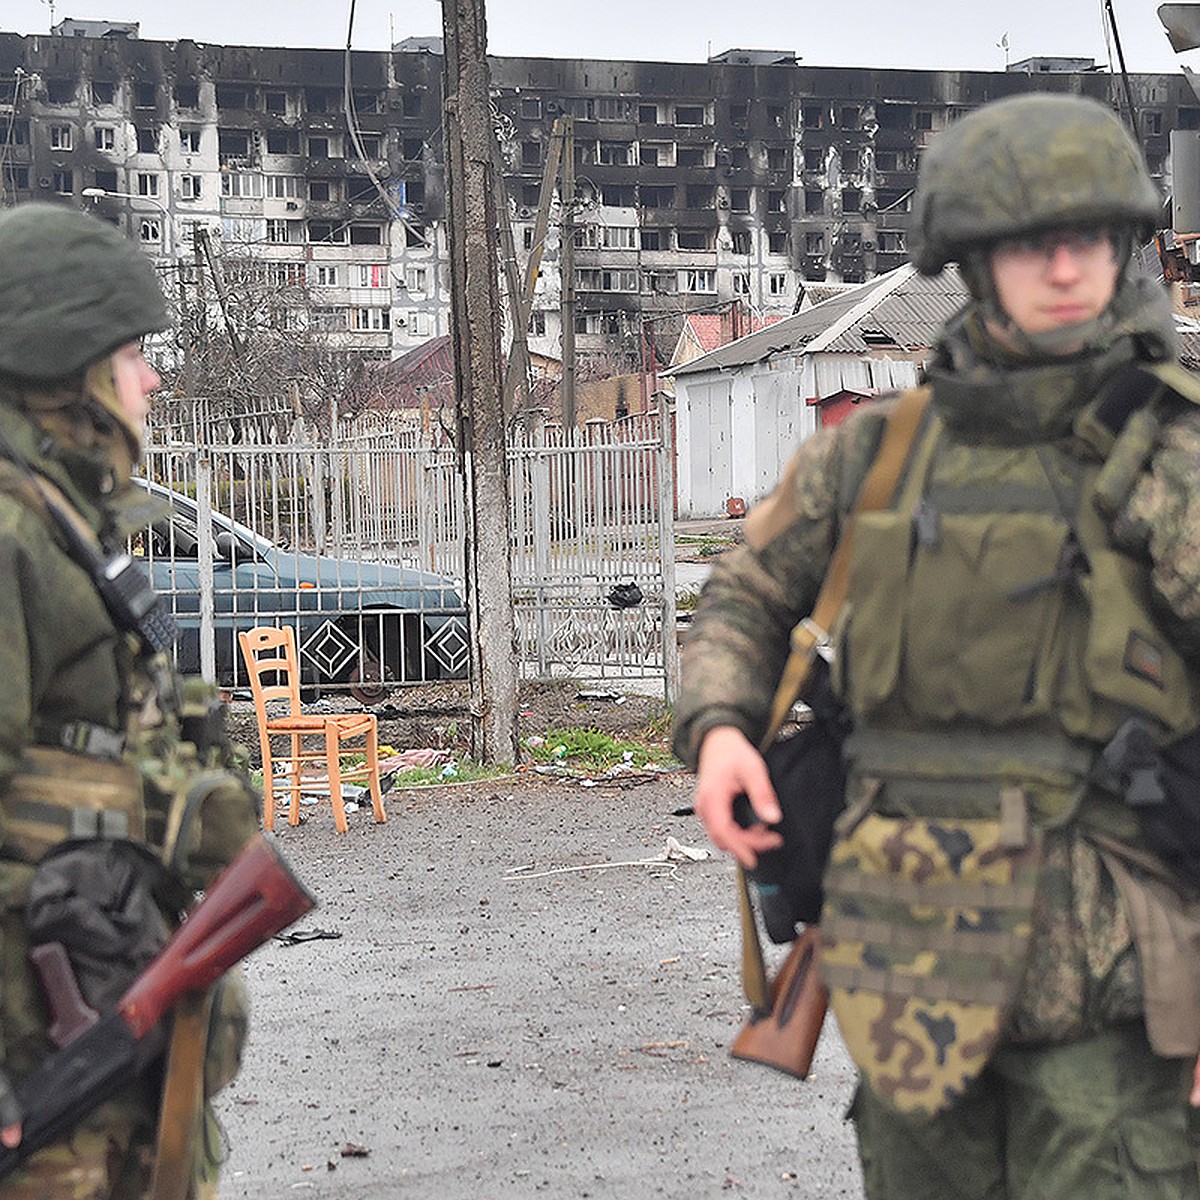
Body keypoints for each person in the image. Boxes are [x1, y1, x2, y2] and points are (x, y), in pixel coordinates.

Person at [674, 92, 1200, 1198]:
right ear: (972, 260)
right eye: (1030, 243)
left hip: (1107, 975)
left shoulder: (1175, 457)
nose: (1067, 267)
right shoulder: (884, 452)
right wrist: (721, 729)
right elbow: (744, 595)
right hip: (911, 958)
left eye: (1091, 240)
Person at [0, 202, 259, 1198]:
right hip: (41, 1063)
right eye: (132, 352)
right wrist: (151, 810)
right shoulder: (14, 534)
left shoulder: (67, 517)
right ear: (68, 364)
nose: (151, 378)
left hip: (105, 1020)